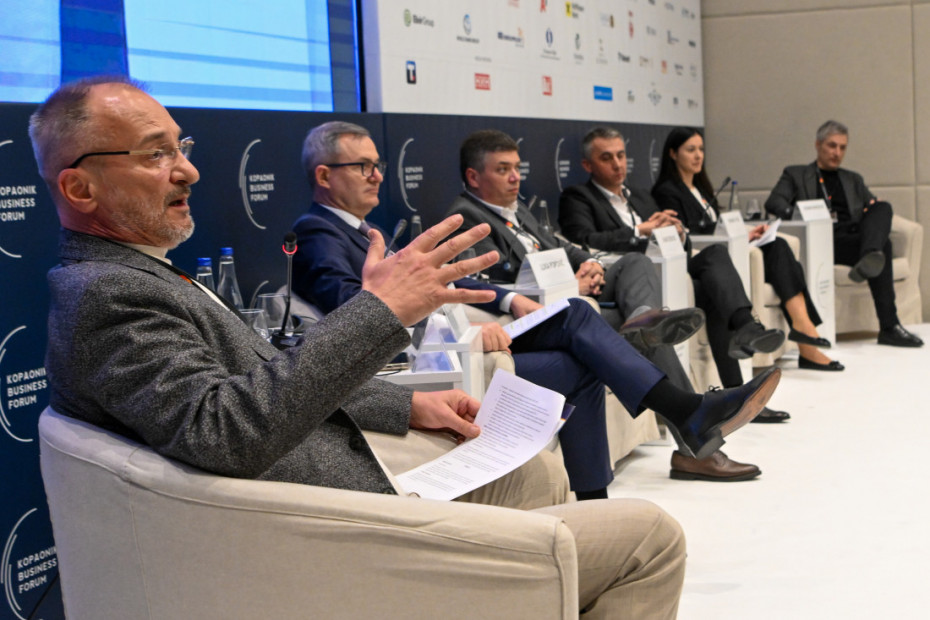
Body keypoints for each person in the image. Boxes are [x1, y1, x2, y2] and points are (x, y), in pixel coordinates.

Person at [30, 76, 693, 618]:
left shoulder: (137, 273)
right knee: (650, 539)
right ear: (79, 187)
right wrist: (382, 309)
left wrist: (404, 406)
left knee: (535, 472)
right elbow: (224, 430)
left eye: (182, 147)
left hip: (344, 482)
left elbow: (255, 377)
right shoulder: (106, 294)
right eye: (156, 155)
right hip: (327, 531)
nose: (189, 170)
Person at [293, 121, 769, 485]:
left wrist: (510, 297)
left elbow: (441, 280)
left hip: (459, 340)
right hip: (428, 359)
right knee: (580, 323)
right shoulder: (317, 233)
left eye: (378, 164)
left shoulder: (367, 231)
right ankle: (685, 412)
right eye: (363, 167)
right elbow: (353, 313)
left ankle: (599, 496)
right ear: (324, 175)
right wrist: (459, 328)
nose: (377, 175)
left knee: (580, 340)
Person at [441, 128, 781, 480]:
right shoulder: (465, 217)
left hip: (574, 301)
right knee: (642, 334)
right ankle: (692, 441)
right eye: (503, 169)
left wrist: (590, 263)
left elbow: (562, 248)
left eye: (516, 168)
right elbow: (465, 280)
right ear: (474, 177)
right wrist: (541, 291)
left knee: (636, 266)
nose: (515, 177)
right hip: (543, 316)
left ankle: (643, 321)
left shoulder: (517, 210)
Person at [559, 126, 794, 417]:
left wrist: (678, 234)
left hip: (669, 265)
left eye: (621, 155)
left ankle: (745, 330)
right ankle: (729, 394)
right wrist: (639, 231)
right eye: (607, 158)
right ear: (587, 165)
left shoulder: (641, 197)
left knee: (715, 258)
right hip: (632, 277)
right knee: (708, 289)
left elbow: (672, 242)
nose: (617, 164)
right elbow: (584, 240)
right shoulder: (577, 197)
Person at [651, 127, 844, 372]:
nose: (698, 155)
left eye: (701, 149)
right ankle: (805, 335)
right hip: (709, 256)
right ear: (673, 153)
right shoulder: (666, 191)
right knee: (778, 255)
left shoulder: (702, 189)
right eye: (691, 150)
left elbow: (714, 225)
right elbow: (685, 232)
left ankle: (803, 327)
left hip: (727, 246)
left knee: (778, 245)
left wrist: (746, 233)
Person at [765, 120, 923, 348]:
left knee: (882, 208)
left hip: (852, 239)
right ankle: (888, 322)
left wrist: (873, 210)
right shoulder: (796, 174)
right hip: (822, 241)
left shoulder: (853, 179)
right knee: (884, 246)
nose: (837, 153)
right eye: (832, 146)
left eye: (842, 147)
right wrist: (800, 214)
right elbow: (774, 202)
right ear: (818, 145)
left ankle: (870, 257)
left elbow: (871, 208)